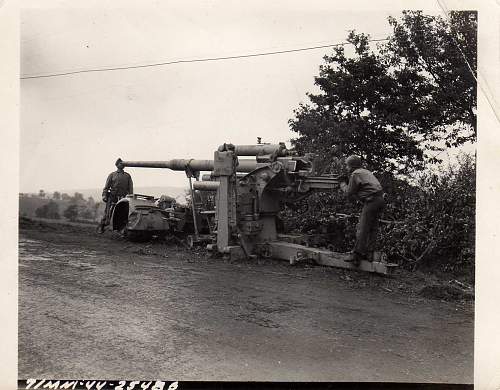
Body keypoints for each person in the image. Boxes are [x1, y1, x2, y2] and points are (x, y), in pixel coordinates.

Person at [340, 155, 385, 266]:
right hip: (380, 200)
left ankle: (357, 255)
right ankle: (369, 254)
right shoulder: (365, 172)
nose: (346, 168)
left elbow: (348, 193)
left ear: (352, 166)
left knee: (363, 227)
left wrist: (342, 183)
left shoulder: (355, 174)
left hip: (372, 201)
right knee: (372, 228)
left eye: (347, 165)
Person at [97, 158, 134, 233]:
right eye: (120, 163)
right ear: (117, 165)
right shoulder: (112, 175)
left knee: (123, 214)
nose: (122, 165)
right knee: (108, 213)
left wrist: (131, 197)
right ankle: (102, 226)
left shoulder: (127, 176)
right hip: (112, 196)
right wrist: (104, 195)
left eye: (123, 163)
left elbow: (130, 188)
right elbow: (106, 187)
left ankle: (121, 230)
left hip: (123, 198)